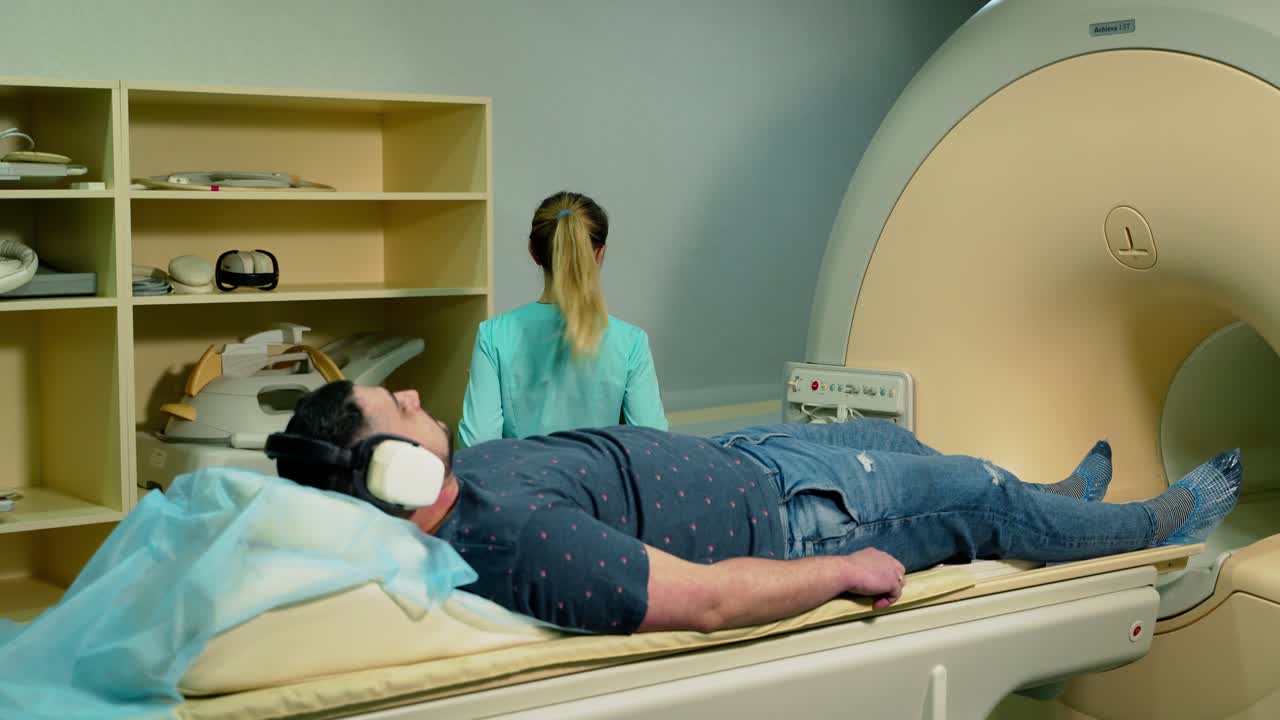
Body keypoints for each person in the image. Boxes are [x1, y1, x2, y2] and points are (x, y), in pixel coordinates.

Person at [274, 380, 1243, 636]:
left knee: (912, 447)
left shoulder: (457, 491)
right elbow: (696, 599)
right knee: (979, 495)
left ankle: (1058, 500)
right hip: (803, 519)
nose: (411, 399)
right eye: (390, 410)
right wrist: (836, 572)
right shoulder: (510, 539)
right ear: (389, 475)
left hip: (747, 459)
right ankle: (1155, 525)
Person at [457, 191, 667, 447]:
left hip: (524, 485)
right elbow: (653, 447)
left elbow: (478, 446)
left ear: (533, 251)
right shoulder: (631, 342)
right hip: (599, 486)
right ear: (600, 254)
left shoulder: (493, 335)